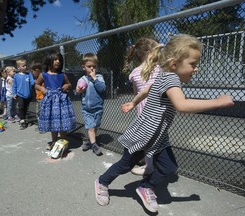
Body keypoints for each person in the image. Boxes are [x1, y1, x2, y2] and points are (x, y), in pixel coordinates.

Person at [94, 34, 234, 213]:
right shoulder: (171, 78)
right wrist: (218, 102)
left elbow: (147, 89)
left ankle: (146, 187)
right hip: (144, 133)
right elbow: (182, 105)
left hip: (158, 134)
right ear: (175, 64)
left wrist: (134, 102)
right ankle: (102, 182)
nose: (196, 69)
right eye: (192, 64)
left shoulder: (164, 74)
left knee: (169, 167)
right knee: (126, 164)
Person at [123, 37, 162, 175]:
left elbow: (136, 94)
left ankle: (149, 163)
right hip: (157, 108)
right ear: (149, 53)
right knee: (155, 137)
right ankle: (150, 166)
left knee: (148, 137)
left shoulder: (134, 72)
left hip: (142, 109)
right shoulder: (160, 69)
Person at [35, 52, 76, 150]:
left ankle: (63, 142)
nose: (58, 61)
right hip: (50, 102)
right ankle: (54, 142)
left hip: (62, 102)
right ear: (49, 60)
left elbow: (69, 84)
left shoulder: (63, 75)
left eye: (59, 60)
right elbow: (36, 84)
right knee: (53, 122)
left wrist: (67, 85)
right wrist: (41, 89)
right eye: (55, 59)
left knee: (62, 122)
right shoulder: (43, 74)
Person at [75, 53, 106, 156]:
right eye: (89, 66)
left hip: (98, 108)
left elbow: (102, 89)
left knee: (95, 126)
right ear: (83, 67)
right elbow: (77, 91)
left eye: (94, 66)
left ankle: (88, 141)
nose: (92, 69)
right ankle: (94, 145)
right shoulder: (82, 79)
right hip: (86, 109)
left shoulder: (99, 77)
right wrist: (79, 90)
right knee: (91, 127)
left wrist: (94, 79)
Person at [13, 58, 36, 130]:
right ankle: (22, 120)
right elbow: (14, 86)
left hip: (28, 95)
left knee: (26, 108)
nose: (25, 67)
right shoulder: (16, 76)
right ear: (19, 67)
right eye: (23, 66)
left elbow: (32, 82)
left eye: (26, 65)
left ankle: (24, 118)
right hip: (20, 95)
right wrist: (14, 93)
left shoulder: (29, 74)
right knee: (21, 107)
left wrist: (35, 82)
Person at [31, 62, 45, 133]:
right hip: (38, 98)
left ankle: (42, 127)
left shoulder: (42, 78)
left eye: (37, 71)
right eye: (33, 71)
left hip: (43, 99)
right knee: (38, 113)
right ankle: (41, 126)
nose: (35, 72)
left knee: (41, 113)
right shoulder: (35, 79)